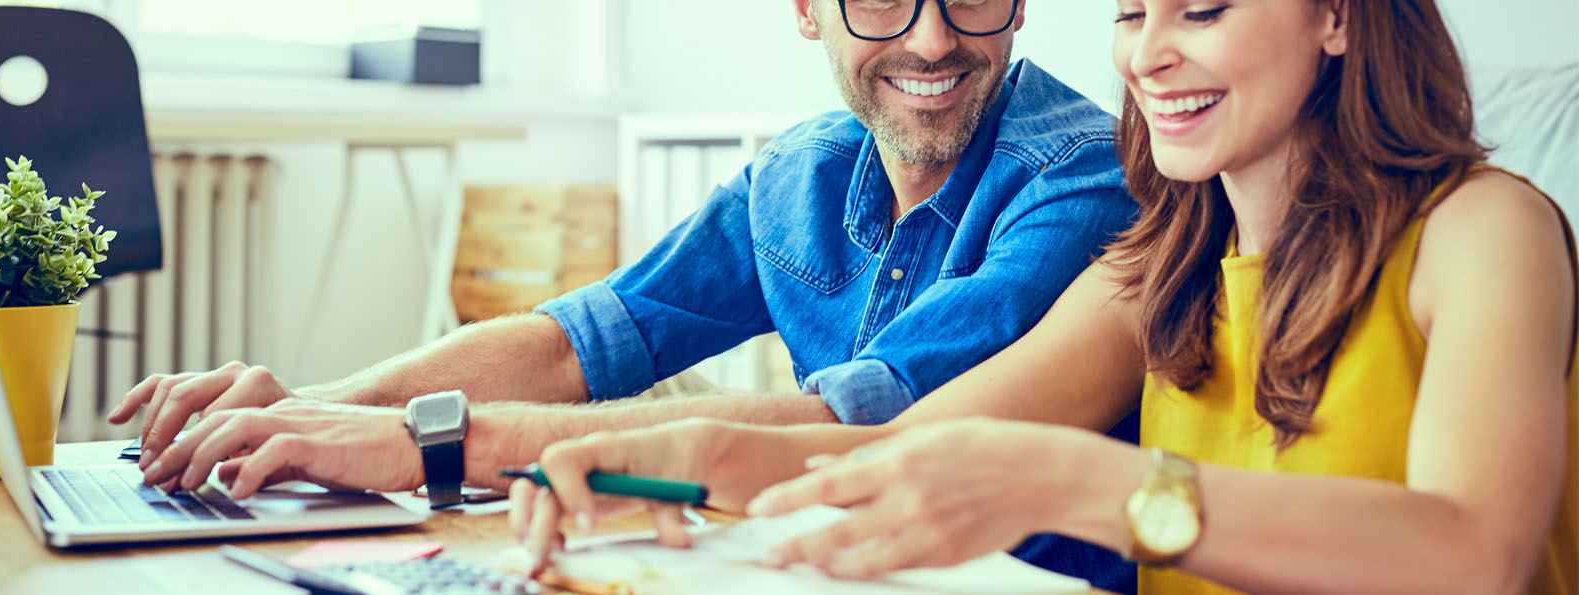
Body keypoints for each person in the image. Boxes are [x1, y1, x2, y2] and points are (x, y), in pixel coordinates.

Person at [509, 0, 1577, 592]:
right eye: (1128, 11)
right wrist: (682, 462)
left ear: (1336, 16)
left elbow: (1471, 553)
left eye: (1198, 9)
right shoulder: (1161, 261)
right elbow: (918, 441)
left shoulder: (1482, 231)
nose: (1147, 56)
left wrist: (1080, 482)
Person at [113, 0, 1145, 589]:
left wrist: (434, 439)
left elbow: (859, 422)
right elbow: (581, 339)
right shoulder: (799, 173)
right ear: (804, 9)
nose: (930, 39)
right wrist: (323, 404)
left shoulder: (1082, 176)